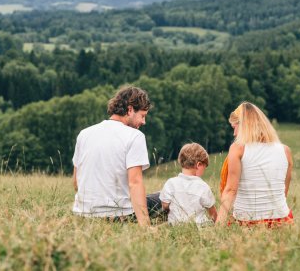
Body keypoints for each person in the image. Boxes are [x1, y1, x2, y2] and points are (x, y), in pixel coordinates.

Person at [72, 85, 159, 226]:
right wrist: (145, 227)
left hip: (83, 216)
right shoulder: (135, 136)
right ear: (130, 109)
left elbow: (76, 182)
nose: (144, 122)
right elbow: (134, 183)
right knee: (168, 196)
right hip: (118, 216)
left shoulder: (84, 134)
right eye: (142, 116)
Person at [217, 102, 294, 227]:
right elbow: (283, 193)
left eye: (234, 127)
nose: (234, 133)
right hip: (282, 221)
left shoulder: (238, 149)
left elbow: (231, 190)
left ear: (243, 126)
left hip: (248, 223)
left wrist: (217, 227)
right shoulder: (285, 151)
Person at [159, 143, 217, 225]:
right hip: (198, 227)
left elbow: (164, 206)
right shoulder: (203, 187)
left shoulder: (170, 183)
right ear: (199, 165)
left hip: (175, 226)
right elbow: (213, 215)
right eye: (204, 167)